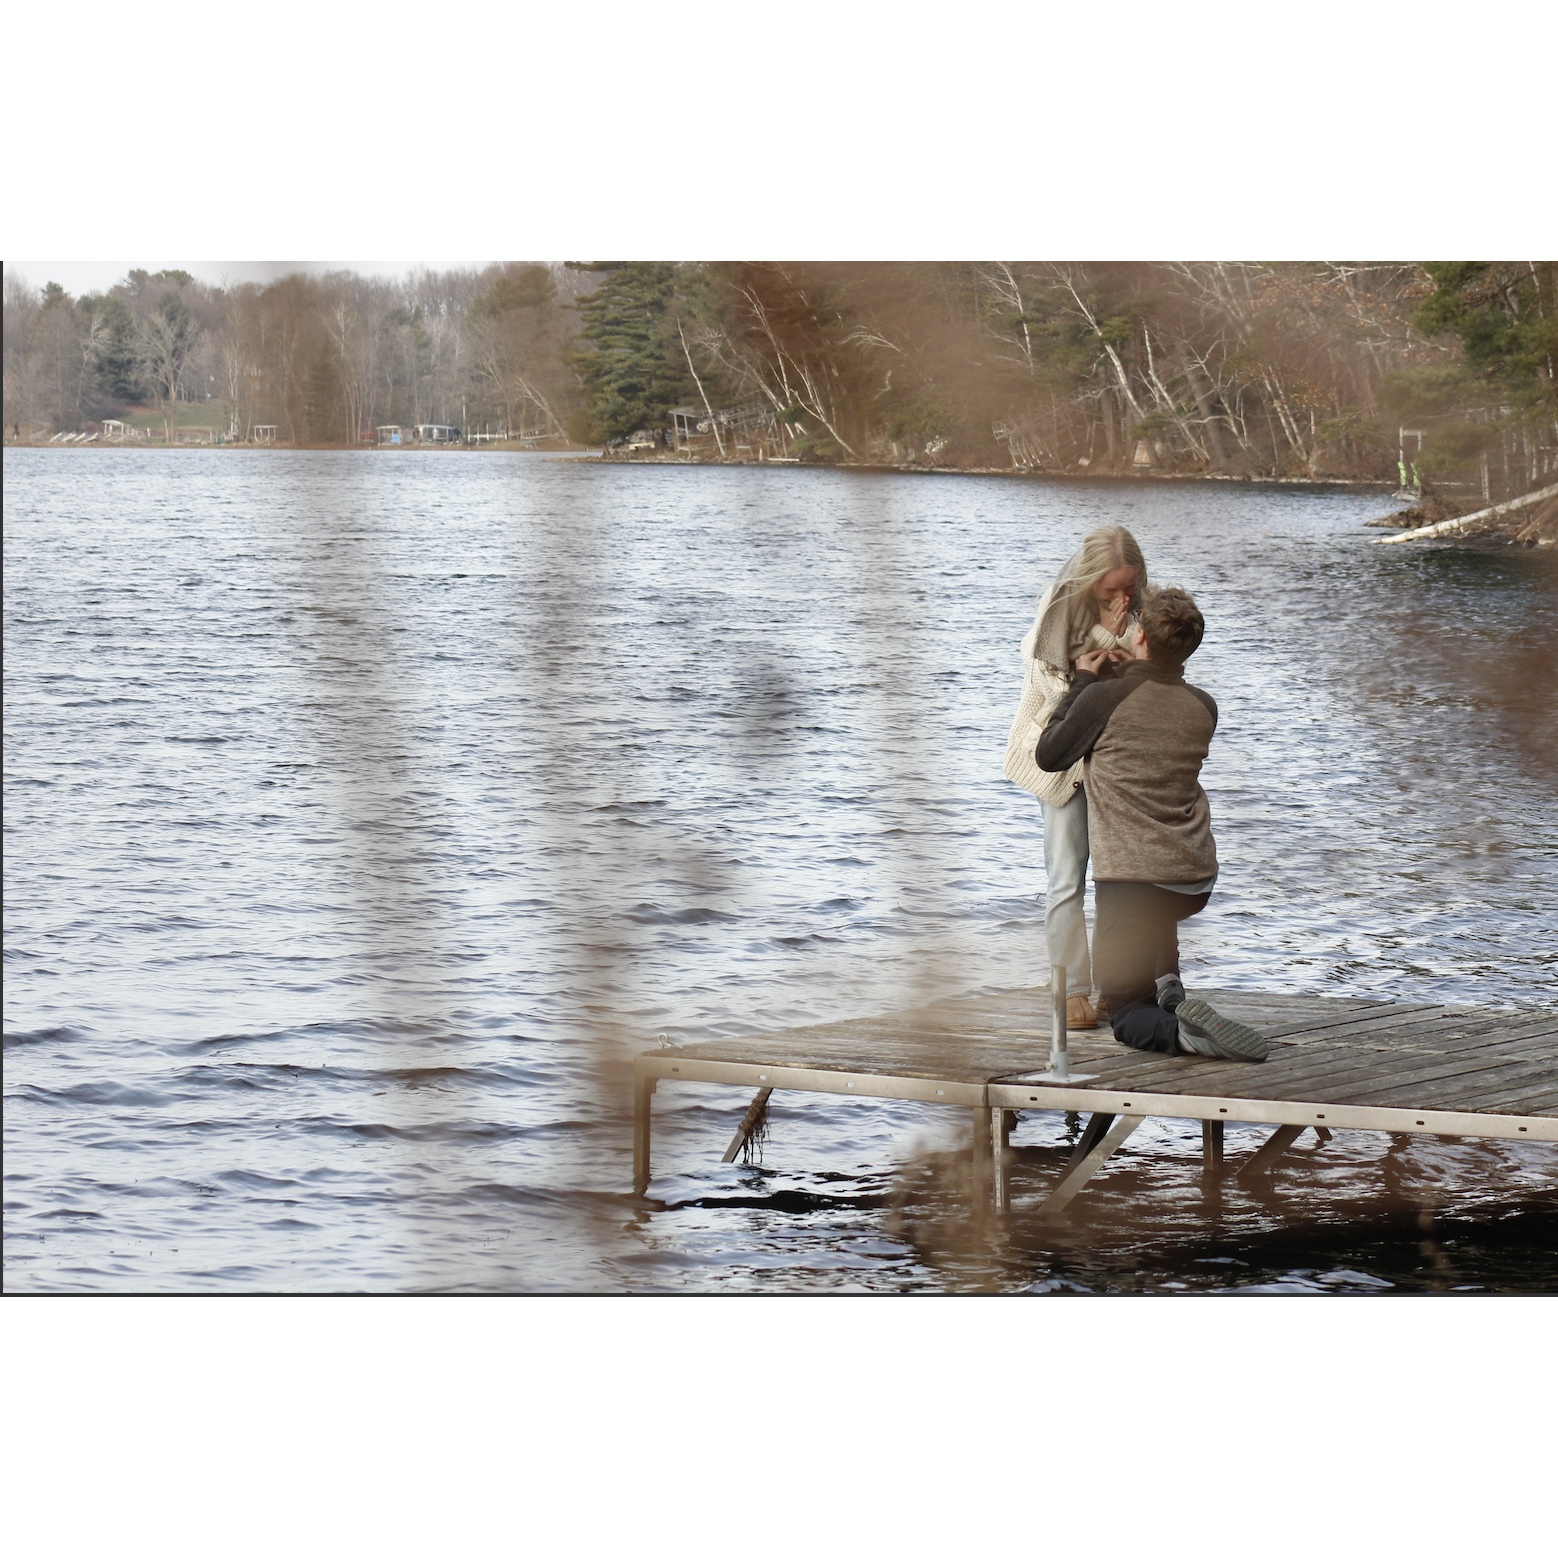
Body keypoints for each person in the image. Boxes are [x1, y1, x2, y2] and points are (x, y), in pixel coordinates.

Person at [1035, 585, 1268, 1061]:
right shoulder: (1204, 706)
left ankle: (1182, 1032)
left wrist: (1084, 680)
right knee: (1156, 909)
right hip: (1193, 880)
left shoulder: (1102, 698)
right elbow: (1152, 712)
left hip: (1132, 884)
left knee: (1125, 1014)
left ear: (1139, 636)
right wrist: (1130, 674)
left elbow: (1049, 754)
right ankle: (1169, 988)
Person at [1003, 526, 1146, 1030]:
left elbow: (1148, 674)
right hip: (1059, 754)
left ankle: (1116, 985)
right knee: (1066, 878)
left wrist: (1123, 655)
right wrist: (1106, 646)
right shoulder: (1057, 606)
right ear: (1089, 580)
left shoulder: (1142, 609)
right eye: (1110, 590)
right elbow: (1050, 683)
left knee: (1119, 878)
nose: (1121, 598)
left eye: (1129, 587)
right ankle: (1070, 989)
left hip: (1115, 758)